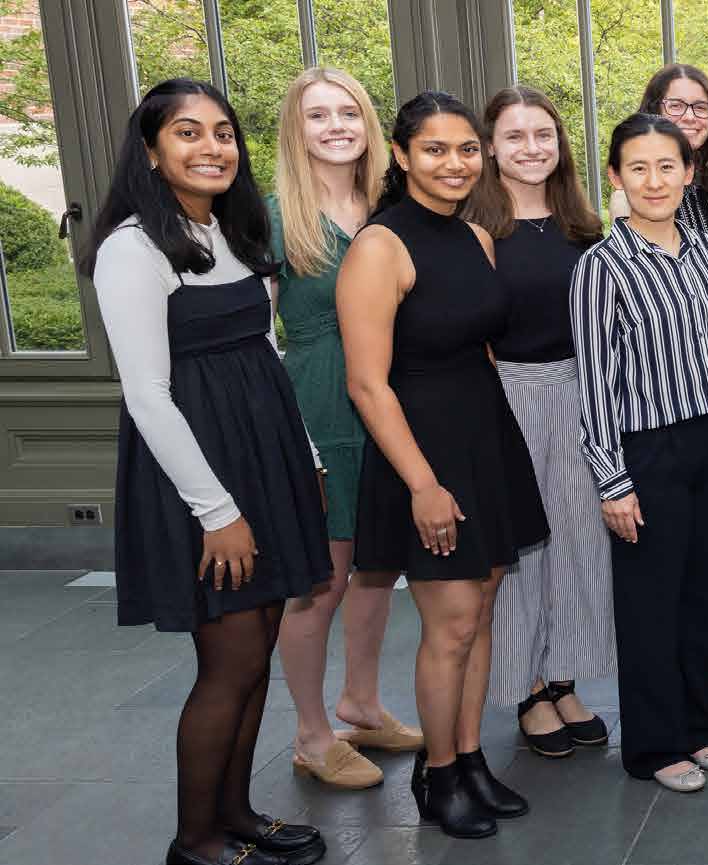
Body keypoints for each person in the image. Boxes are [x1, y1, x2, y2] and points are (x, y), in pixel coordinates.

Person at [90, 77, 331, 865]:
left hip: (262, 459)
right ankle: (195, 840)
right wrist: (216, 511)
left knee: (256, 648)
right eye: (188, 133)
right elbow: (149, 398)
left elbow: (265, 351)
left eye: (222, 132)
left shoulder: (230, 231)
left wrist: (310, 454)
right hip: (200, 479)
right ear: (153, 153)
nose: (210, 147)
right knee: (226, 660)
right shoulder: (132, 248)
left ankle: (238, 814)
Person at [339, 90, 548, 839]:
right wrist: (423, 482)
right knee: (451, 621)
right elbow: (367, 382)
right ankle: (437, 775)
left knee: (483, 606)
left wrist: (499, 442)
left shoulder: (477, 239)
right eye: (434, 148)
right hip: (422, 444)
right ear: (400, 156)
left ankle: (468, 759)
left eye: (466, 148)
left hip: (483, 430)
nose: (454, 163)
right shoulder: (379, 247)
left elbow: (482, 344)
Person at [573, 114, 708, 793]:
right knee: (650, 602)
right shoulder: (600, 267)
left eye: (667, 166)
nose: (654, 180)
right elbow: (592, 384)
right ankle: (652, 745)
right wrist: (613, 482)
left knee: (701, 595)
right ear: (615, 177)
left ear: (688, 172)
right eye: (637, 168)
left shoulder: (704, 245)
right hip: (645, 450)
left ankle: (698, 727)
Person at [265, 66, 419, 792]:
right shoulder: (272, 217)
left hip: (391, 407)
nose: (335, 127)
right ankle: (310, 733)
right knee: (319, 582)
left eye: (348, 113)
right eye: (318, 116)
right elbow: (252, 337)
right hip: (319, 411)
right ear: (297, 131)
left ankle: (362, 702)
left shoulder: (391, 207)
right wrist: (283, 429)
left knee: (379, 568)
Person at [458, 86, 614, 760]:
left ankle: (564, 676)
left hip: (581, 390)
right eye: (516, 136)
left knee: (580, 539)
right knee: (522, 550)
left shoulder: (584, 227)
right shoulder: (475, 229)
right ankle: (524, 688)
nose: (531, 148)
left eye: (543, 135)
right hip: (508, 392)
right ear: (491, 147)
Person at [631, 63, 708, 701]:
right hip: (660, 400)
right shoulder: (639, 195)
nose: (691, 118)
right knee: (667, 540)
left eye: (701, 107)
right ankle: (672, 662)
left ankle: (704, 654)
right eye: (676, 106)